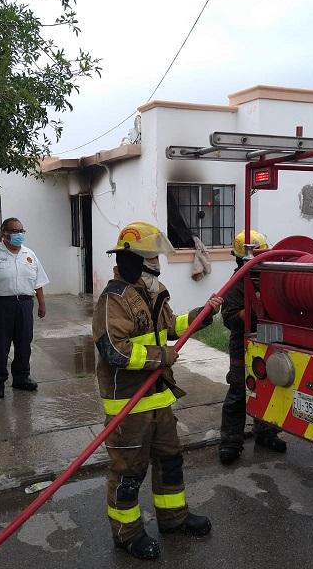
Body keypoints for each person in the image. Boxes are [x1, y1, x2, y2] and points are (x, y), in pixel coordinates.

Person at [92, 221, 223, 561]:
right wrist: (161, 357)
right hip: (128, 406)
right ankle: (127, 533)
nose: (157, 263)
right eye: (151, 257)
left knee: (169, 462)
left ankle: (174, 519)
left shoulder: (153, 291)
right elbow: (115, 351)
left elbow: (170, 326)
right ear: (133, 259)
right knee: (129, 472)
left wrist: (201, 315)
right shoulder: (112, 300)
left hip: (159, 400)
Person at [219, 230, 286, 465]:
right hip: (242, 345)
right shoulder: (236, 284)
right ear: (241, 259)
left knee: (268, 389)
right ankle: (230, 442)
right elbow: (228, 318)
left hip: (269, 341)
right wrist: (255, 308)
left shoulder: (269, 277)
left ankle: (266, 433)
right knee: (238, 392)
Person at [0, 217, 47, 399]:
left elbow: (38, 282)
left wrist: (42, 303)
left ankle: (21, 378)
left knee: (24, 343)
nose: (19, 235)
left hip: (24, 304)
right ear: (4, 234)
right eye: (15, 231)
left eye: (21, 231)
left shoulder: (29, 255)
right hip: (0, 305)